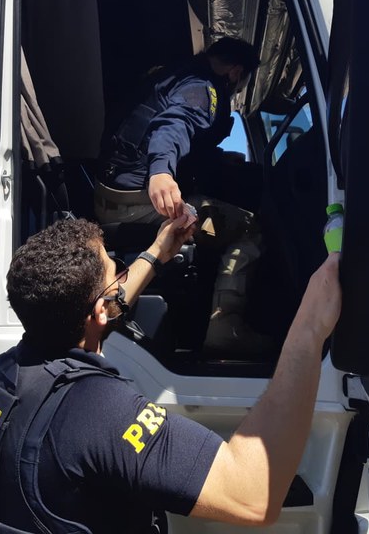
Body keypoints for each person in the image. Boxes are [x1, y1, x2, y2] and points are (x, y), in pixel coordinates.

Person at [0, 216, 342, 533]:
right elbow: (253, 495)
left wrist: (157, 253)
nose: (122, 278)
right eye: (115, 271)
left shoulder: (1, 376)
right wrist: (309, 328)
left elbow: (103, 306)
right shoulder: (97, 410)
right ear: (99, 310)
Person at [94, 37, 265, 353]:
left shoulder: (172, 74)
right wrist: (161, 171)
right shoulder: (202, 88)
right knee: (249, 229)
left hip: (111, 196)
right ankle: (225, 328)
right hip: (140, 204)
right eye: (241, 84)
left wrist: (214, 160)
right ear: (236, 71)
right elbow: (173, 125)